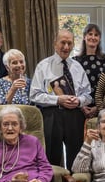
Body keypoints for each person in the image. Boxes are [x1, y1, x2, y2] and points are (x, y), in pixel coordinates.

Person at [30, 29, 92, 168]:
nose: (66, 47)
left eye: (69, 43)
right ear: (55, 44)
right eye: (63, 42)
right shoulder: (43, 66)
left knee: (76, 158)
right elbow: (34, 95)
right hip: (52, 115)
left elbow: (88, 95)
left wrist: (79, 101)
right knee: (52, 157)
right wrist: (58, 100)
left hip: (75, 116)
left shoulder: (77, 67)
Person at [74, 23, 105, 119]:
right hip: (79, 107)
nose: (93, 37)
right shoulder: (74, 61)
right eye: (90, 34)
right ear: (84, 37)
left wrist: (98, 107)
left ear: (99, 39)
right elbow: (72, 86)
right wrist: (81, 106)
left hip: (103, 108)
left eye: (96, 35)